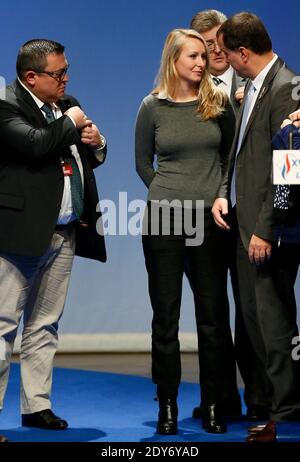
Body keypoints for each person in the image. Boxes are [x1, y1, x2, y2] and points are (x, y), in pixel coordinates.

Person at [0, 39, 107, 430]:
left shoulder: (66, 105)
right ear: (31, 77)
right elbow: (34, 145)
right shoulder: (7, 104)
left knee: (45, 324)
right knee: (2, 326)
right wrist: (72, 123)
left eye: (66, 72)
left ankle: (36, 405)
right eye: (57, 74)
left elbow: (82, 151)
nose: (65, 80)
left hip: (63, 233)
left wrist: (97, 144)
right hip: (19, 235)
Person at [135, 28, 236, 435]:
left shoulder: (219, 103)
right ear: (173, 60)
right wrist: (165, 194)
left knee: (212, 318)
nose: (202, 62)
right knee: (166, 318)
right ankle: (168, 405)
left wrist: (219, 195)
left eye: (203, 56)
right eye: (193, 56)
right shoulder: (151, 106)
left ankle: (212, 404)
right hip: (164, 218)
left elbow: (230, 159)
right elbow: (144, 163)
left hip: (210, 220)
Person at [212, 12, 300, 441]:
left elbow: (289, 169)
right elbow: (247, 154)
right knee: (256, 321)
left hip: (271, 231)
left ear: (242, 52)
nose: (222, 59)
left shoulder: (287, 88)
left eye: (226, 53)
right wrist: (226, 191)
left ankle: (286, 417)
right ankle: (269, 407)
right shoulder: (255, 86)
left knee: (275, 323)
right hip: (246, 223)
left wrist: (266, 227)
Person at [190, 8, 267, 423]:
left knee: (250, 309)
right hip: (203, 213)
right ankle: (218, 397)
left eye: (220, 38)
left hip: (244, 212)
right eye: (204, 43)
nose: (214, 49)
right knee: (211, 311)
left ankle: (259, 396)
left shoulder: (255, 82)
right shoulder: (187, 86)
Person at [190, 9, 246, 114]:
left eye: (221, 42)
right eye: (209, 44)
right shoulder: (186, 88)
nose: (218, 50)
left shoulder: (253, 81)